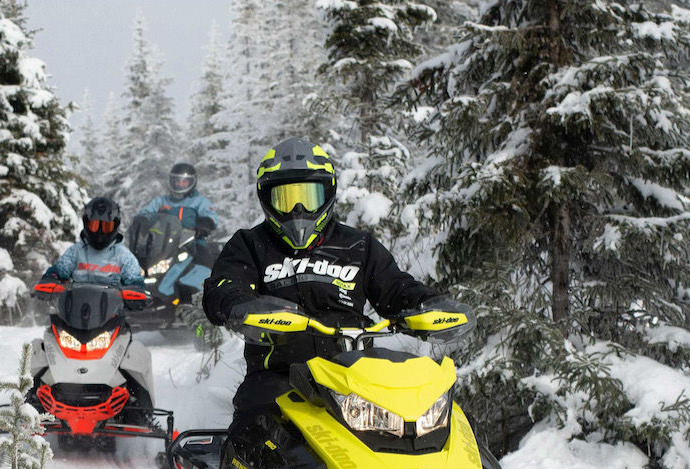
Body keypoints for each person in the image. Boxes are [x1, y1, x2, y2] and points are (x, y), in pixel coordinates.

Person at [201, 137, 469, 432]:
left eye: (308, 197)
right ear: (268, 199)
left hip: (355, 374)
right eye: (286, 199)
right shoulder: (250, 245)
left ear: (327, 194)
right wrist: (239, 305)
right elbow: (225, 284)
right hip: (281, 374)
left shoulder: (358, 246)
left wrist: (428, 306)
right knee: (254, 427)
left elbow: (397, 287)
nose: (298, 210)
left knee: (421, 425)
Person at [41, 196, 145, 290]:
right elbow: (60, 270)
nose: (100, 232)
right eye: (94, 226)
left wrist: (135, 291)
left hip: (112, 309)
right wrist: (51, 278)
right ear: (86, 223)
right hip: (75, 307)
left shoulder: (124, 257)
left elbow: (135, 281)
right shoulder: (75, 252)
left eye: (106, 227)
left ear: (115, 226)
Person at [138, 162, 219, 241]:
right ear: (172, 181)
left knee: (202, 253)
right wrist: (143, 221)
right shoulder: (161, 201)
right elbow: (145, 213)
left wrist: (204, 226)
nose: (180, 184)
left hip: (192, 242)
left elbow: (210, 216)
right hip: (163, 243)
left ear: (192, 182)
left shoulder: (199, 201)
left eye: (184, 182)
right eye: (177, 181)